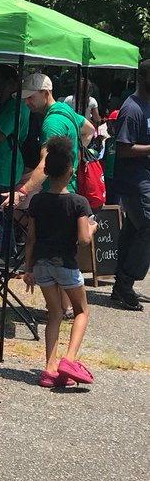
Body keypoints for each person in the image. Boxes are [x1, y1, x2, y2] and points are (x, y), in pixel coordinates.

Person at [22, 136, 96, 388]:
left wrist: (27, 269)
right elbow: (84, 239)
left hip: (41, 264)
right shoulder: (78, 202)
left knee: (54, 314)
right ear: (70, 170)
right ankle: (69, 359)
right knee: (81, 311)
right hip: (66, 263)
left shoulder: (38, 200)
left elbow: (30, 239)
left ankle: (49, 369)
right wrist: (93, 227)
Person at [10, 73, 93, 202]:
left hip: (57, 195)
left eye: (30, 97)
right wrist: (72, 153)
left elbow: (45, 164)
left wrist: (21, 193)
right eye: (24, 98)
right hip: (69, 189)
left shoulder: (52, 123)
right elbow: (89, 130)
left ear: (46, 93)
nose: (26, 102)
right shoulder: (64, 109)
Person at [110, 59, 150, 310]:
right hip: (133, 181)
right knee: (147, 227)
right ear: (144, 77)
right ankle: (126, 282)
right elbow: (124, 149)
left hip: (145, 178)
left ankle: (120, 285)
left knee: (134, 230)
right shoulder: (131, 108)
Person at [0, 64, 30, 256]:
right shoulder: (4, 105)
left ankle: (3, 257)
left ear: (12, 83)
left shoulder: (15, 106)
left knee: (0, 216)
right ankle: (5, 254)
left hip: (4, 167)